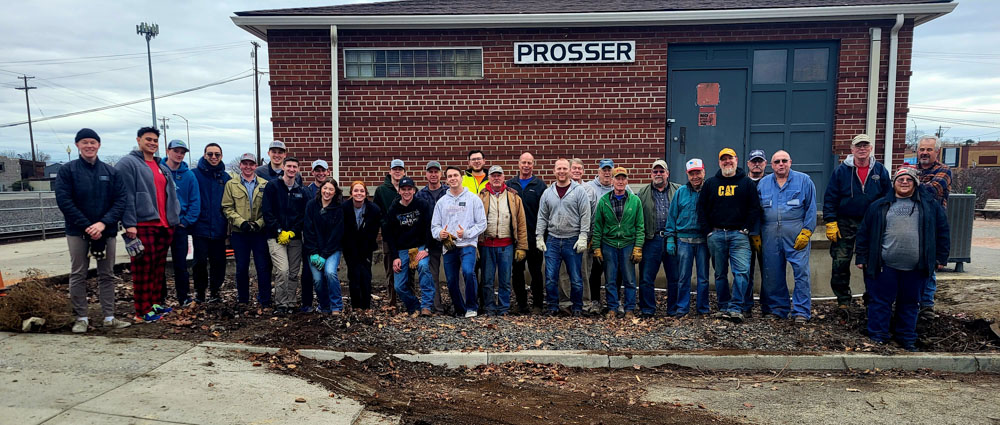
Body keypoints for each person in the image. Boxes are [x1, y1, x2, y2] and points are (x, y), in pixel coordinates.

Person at [856, 167, 949, 351]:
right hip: (884, 266)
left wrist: (940, 257)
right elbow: (864, 233)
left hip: (916, 266)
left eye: (908, 179)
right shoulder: (879, 206)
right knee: (880, 302)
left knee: (910, 304)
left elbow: (942, 232)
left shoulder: (930, 206)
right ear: (894, 183)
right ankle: (878, 336)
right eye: (900, 179)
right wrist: (862, 257)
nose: (904, 182)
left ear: (915, 183)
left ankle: (906, 338)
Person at [56, 128, 130, 332]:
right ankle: (81, 317)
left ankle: (109, 316)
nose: (89, 145)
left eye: (93, 142)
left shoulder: (111, 172)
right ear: (77, 145)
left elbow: (120, 200)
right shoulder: (67, 171)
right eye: (84, 142)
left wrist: (103, 224)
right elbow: (64, 201)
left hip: (106, 232)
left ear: (99, 145)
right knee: (78, 273)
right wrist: (87, 226)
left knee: (106, 274)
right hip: (77, 231)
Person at [822, 134, 891, 321]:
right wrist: (830, 221)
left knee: (871, 263)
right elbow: (830, 197)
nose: (862, 149)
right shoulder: (841, 171)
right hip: (845, 222)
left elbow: (888, 198)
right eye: (858, 146)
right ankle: (843, 300)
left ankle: (871, 300)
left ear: (870, 148)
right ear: (852, 150)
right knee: (840, 262)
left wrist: (884, 221)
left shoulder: (880, 171)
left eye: (865, 145)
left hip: (871, 224)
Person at [116, 126, 180, 322]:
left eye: (155, 140)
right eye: (148, 139)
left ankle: (153, 303)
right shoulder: (129, 163)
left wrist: (173, 217)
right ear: (138, 140)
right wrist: (130, 224)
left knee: (157, 268)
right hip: (143, 224)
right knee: (143, 268)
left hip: (164, 225)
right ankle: (141, 310)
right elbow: (124, 195)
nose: (152, 143)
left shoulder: (161, 166)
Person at [697, 148, 761, 323]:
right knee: (720, 274)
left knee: (741, 273)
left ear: (736, 160)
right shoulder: (710, 184)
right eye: (723, 159)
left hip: (739, 236)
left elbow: (754, 208)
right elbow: (701, 209)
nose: (727, 162)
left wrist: (746, 229)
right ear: (719, 162)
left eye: (730, 159)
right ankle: (724, 306)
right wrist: (708, 232)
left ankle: (736, 307)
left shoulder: (746, 183)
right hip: (716, 235)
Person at [757, 150, 817, 323]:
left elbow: (811, 209)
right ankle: (778, 309)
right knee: (773, 273)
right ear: (771, 165)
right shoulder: (763, 183)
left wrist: (807, 231)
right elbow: (758, 212)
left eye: (784, 161)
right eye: (777, 162)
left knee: (801, 273)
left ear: (790, 162)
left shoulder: (804, 180)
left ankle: (801, 311)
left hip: (796, 233)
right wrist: (757, 234)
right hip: (769, 234)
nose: (781, 164)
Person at [536, 159, 591, 316]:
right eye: (558, 168)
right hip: (552, 240)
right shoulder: (548, 192)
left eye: (564, 168)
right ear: (554, 171)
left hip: (572, 240)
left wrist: (583, 236)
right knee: (551, 277)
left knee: (575, 278)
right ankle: (553, 306)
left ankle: (578, 307)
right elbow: (542, 216)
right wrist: (539, 236)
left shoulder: (579, 191)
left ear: (569, 170)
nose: (561, 171)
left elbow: (585, 215)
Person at [907, 135, 952, 320]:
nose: (924, 153)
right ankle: (909, 301)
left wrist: (908, 184)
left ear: (937, 151)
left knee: (929, 265)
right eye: (922, 149)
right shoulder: (911, 169)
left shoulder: (944, 171)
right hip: (909, 224)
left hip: (931, 226)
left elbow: (930, 191)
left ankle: (926, 305)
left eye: (929, 149)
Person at [433, 167, 487, 317]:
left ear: (461, 178)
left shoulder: (473, 199)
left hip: (468, 244)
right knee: (451, 280)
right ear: (446, 180)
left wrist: (467, 233)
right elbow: (434, 226)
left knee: (468, 272)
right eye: (449, 176)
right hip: (449, 245)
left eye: (455, 175)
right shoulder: (442, 202)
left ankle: (471, 307)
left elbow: (482, 223)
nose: (453, 178)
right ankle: (459, 308)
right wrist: (440, 233)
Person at [592, 167, 645, 319]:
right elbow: (598, 226)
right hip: (609, 244)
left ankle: (629, 308)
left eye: (623, 178)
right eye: (617, 178)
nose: (620, 181)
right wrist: (596, 247)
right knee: (610, 278)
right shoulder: (604, 201)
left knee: (629, 279)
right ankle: (612, 307)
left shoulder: (635, 201)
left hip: (628, 244)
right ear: (612, 181)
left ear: (627, 181)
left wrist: (638, 247)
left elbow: (640, 226)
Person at [222, 153, 271, 308]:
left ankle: (265, 299)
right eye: (245, 164)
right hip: (240, 233)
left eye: (251, 164)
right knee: (241, 267)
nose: (248, 167)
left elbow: (269, 209)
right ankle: (243, 299)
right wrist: (241, 222)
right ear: (240, 165)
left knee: (262, 267)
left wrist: (259, 223)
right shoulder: (231, 184)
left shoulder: (265, 184)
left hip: (259, 233)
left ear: (255, 166)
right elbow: (227, 207)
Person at [478, 165, 528, 316]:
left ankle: (504, 307)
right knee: (487, 279)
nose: (496, 178)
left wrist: (522, 246)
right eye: (493, 175)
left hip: (507, 245)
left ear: (503, 177)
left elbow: (521, 223)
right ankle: (489, 307)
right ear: (489, 178)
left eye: (499, 175)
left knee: (505, 280)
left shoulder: (514, 197)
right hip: (486, 244)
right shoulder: (481, 196)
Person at [262, 157, 308, 315]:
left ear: (298, 169)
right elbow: (267, 212)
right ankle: (280, 304)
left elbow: (303, 215)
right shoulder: (272, 186)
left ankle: (290, 303)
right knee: (282, 270)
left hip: (294, 238)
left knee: (294, 273)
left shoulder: (301, 191)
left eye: (295, 167)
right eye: (289, 166)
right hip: (275, 237)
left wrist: (293, 231)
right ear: (283, 167)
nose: (292, 169)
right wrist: (279, 231)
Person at [636, 159, 681, 317]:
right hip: (651, 240)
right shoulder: (642, 193)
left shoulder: (678, 190)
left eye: (661, 171)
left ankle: (673, 309)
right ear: (651, 174)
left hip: (672, 240)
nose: (658, 174)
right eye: (655, 171)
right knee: (646, 278)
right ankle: (647, 309)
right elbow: (637, 218)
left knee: (674, 277)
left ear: (667, 173)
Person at [386, 176, 436, 316]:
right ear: (399, 191)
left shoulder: (422, 204)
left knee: (423, 267)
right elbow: (390, 235)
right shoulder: (394, 209)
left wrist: (426, 249)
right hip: (402, 249)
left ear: (414, 190)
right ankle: (414, 305)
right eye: (403, 189)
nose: (406, 192)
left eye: (409, 189)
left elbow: (429, 228)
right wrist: (395, 257)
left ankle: (426, 306)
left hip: (420, 246)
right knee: (399, 286)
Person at [665, 158, 710, 316]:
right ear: (687, 174)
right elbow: (672, 216)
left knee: (703, 278)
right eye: (692, 174)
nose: (695, 176)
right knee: (683, 277)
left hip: (703, 241)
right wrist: (670, 238)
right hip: (683, 241)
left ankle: (703, 308)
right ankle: (682, 308)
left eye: (698, 172)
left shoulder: (709, 190)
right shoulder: (680, 193)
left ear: (704, 172)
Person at [160, 139, 200, 307]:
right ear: (168, 151)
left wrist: (185, 221)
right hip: (161, 225)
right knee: (159, 264)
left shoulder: (189, 175)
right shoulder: (158, 171)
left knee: (181, 264)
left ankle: (183, 297)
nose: (179, 154)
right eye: (176, 151)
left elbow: (195, 201)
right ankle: (159, 299)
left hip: (180, 226)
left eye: (182, 152)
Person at [506, 152, 547, 314]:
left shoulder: (540, 186)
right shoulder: (510, 185)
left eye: (529, 163)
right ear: (518, 164)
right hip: (515, 239)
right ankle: (521, 304)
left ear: (533, 165)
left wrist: (541, 236)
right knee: (517, 273)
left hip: (534, 236)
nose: (526, 165)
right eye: (524, 162)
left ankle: (538, 304)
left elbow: (544, 213)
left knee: (536, 271)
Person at [190, 143, 230, 304]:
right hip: (200, 227)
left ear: (221, 156)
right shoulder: (194, 175)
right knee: (199, 262)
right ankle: (200, 292)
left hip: (219, 228)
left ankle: (215, 291)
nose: (213, 157)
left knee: (218, 262)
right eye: (210, 154)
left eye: (217, 154)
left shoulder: (225, 178)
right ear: (204, 155)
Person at [304, 177, 345, 314]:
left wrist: (324, 255)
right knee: (317, 279)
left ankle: (336, 305)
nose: (327, 192)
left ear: (335, 192)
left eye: (331, 189)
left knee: (330, 273)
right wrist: (314, 252)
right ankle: (324, 305)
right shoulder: (311, 205)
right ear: (321, 189)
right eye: (325, 188)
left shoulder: (338, 208)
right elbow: (308, 230)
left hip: (332, 249)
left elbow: (336, 235)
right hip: (314, 250)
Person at [560, 158, 597, 314]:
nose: (576, 171)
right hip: (563, 237)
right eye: (573, 168)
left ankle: (584, 302)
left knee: (583, 272)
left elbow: (593, 214)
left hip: (583, 238)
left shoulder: (589, 190)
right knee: (564, 272)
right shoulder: (557, 188)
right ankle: (565, 303)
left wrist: (590, 236)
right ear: (569, 170)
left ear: (583, 171)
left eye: (579, 169)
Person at [342, 181, 382, 311]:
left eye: (361, 191)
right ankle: (356, 306)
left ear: (366, 193)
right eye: (356, 191)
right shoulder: (344, 208)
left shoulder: (374, 209)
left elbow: (374, 231)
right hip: (350, 248)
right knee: (353, 276)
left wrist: (365, 247)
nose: (359, 193)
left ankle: (366, 305)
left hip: (366, 247)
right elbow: (343, 230)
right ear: (351, 193)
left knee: (365, 276)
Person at [416, 160, 449, 314]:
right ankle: (437, 308)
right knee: (432, 275)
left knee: (453, 275)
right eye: (431, 172)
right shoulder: (420, 195)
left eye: (436, 172)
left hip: (450, 241)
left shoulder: (449, 192)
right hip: (430, 241)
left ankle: (458, 306)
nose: (434, 174)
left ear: (441, 174)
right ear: (426, 174)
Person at [298, 159, 332, 311]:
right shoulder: (306, 191)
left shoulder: (332, 190)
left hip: (327, 240)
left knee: (325, 274)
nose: (320, 173)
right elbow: (304, 217)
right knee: (307, 273)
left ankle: (325, 303)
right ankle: (307, 303)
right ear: (312, 172)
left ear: (327, 171)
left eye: (322, 170)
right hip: (310, 239)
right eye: (317, 170)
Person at [374, 158, 405, 307]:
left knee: (407, 268)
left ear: (404, 172)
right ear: (390, 171)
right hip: (388, 236)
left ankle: (407, 300)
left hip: (406, 237)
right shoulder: (381, 190)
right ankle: (391, 300)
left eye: (400, 169)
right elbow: (376, 212)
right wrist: (385, 224)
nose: (397, 171)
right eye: (395, 169)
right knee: (390, 269)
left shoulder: (409, 188)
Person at [743, 149, 768, 316]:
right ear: (748, 164)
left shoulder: (772, 182)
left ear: (765, 164)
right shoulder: (742, 182)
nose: (757, 164)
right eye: (754, 161)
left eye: (760, 161)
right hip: (746, 233)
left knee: (768, 271)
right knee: (746, 270)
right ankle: (746, 306)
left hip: (767, 233)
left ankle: (768, 307)